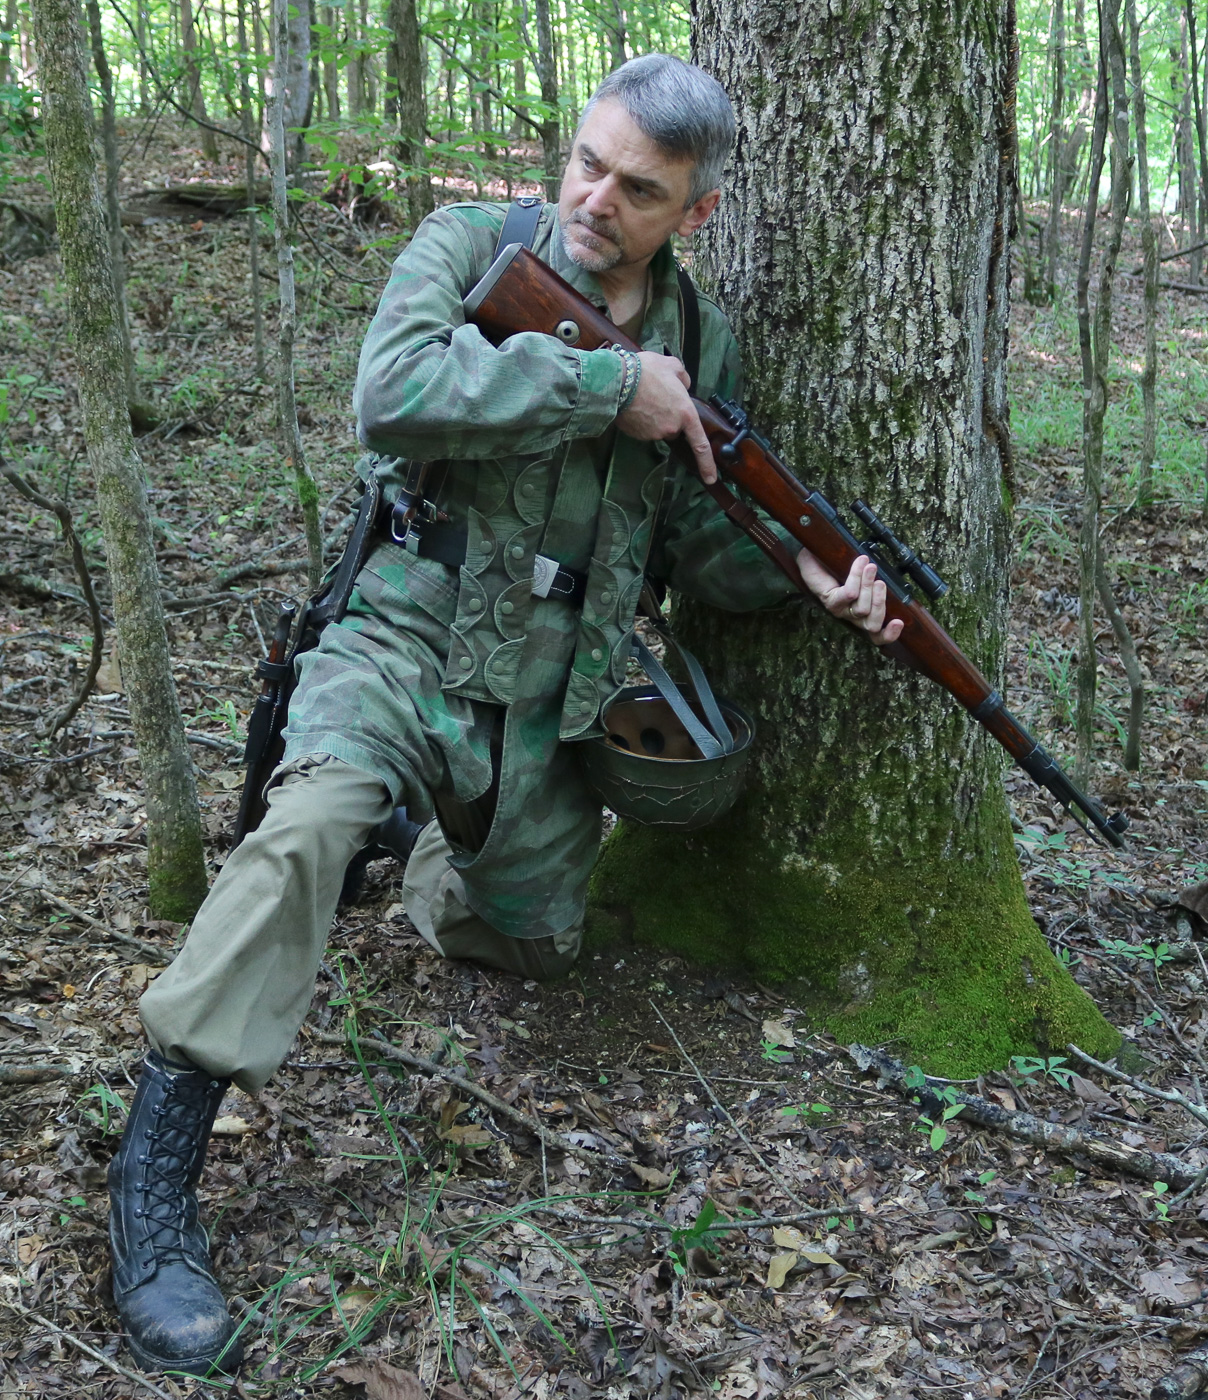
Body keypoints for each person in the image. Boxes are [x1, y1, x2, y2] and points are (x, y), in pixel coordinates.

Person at [106, 53, 903, 1377]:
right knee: (305, 831)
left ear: (693, 212)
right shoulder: (471, 242)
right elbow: (393, 395)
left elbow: (699, 547)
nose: (596, 197)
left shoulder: (700, 341)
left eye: (638, 188)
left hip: (554, 696)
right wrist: (608, 387)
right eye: (588, 162)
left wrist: (814, 580)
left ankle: (434, 834)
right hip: (404, 634)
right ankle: (157, 1177)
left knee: (531, 942)